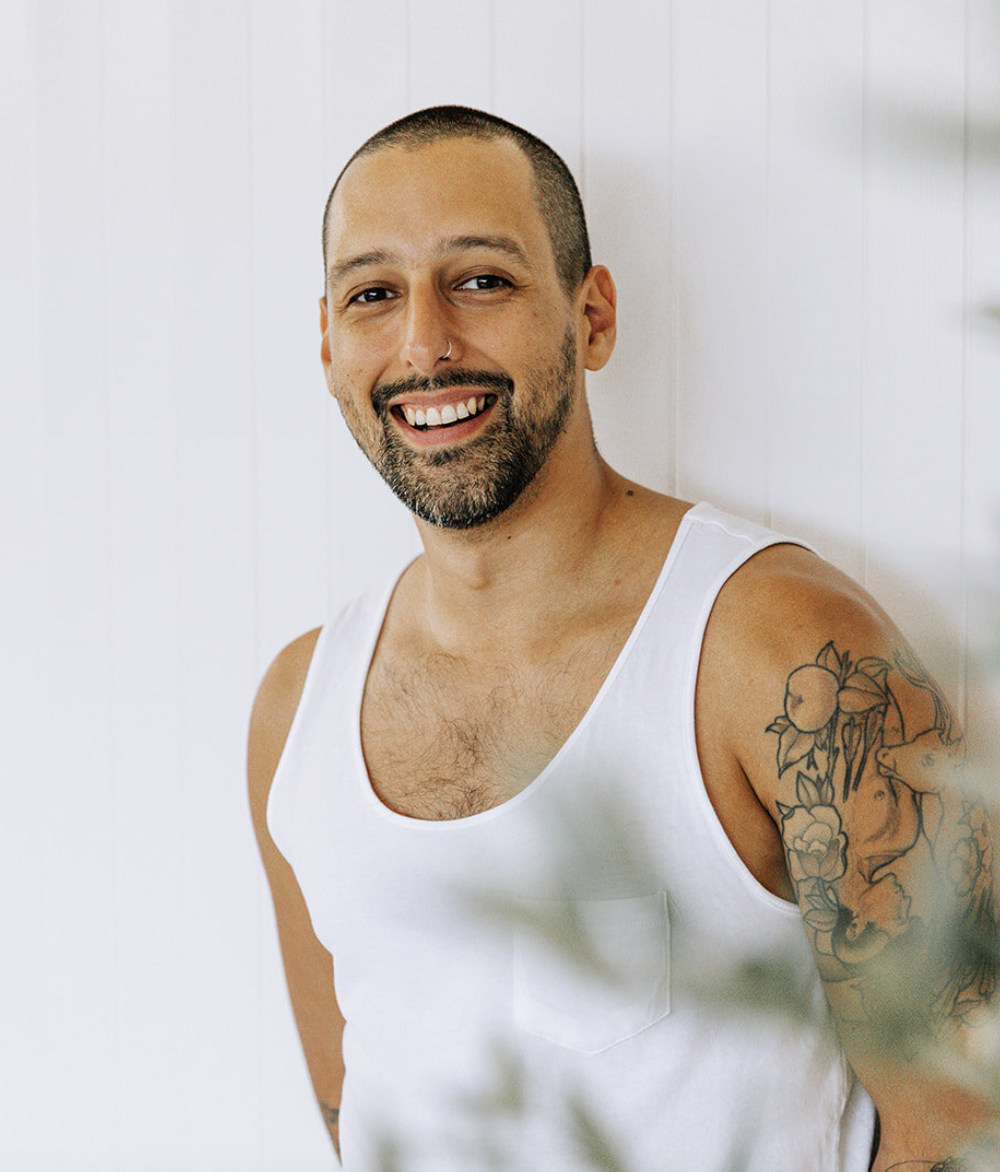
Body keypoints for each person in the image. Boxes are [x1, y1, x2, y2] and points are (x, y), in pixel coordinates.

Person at [248, 106, 996, 1171]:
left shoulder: (783, 653)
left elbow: (964, 1113)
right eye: (375, 294)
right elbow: (351, 1103)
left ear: (590, 316)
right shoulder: (296, 707)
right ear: (328, 344)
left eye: (480, 280)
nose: (424, 342)